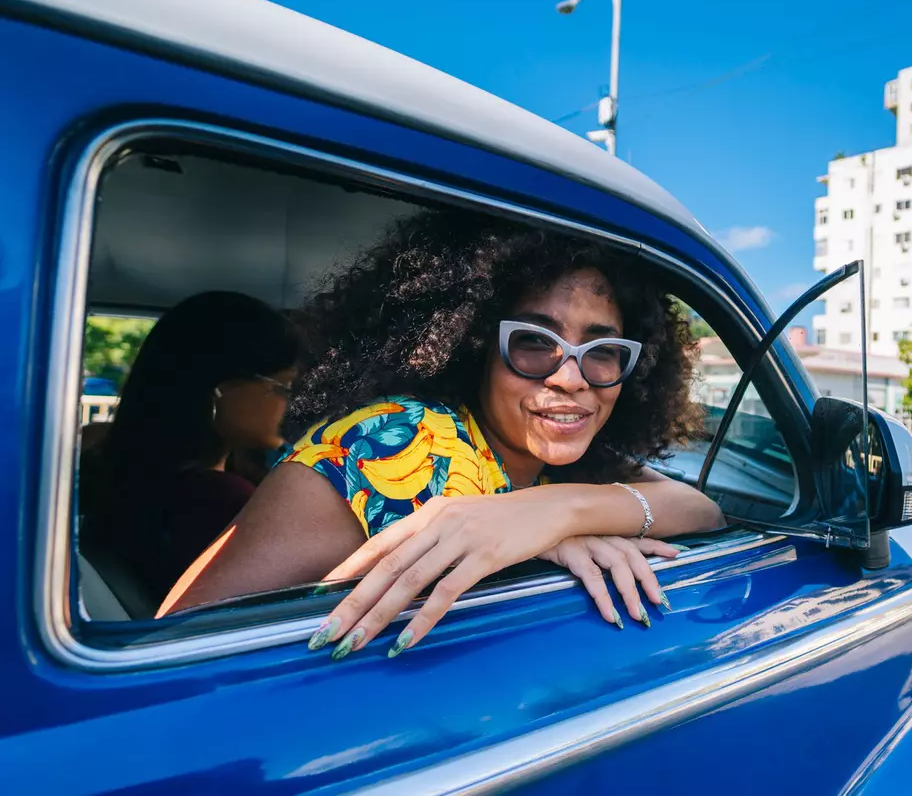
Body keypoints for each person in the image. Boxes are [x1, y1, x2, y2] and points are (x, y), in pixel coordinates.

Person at [160, 211, 726, 660]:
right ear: (475, 343)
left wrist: (546, 515)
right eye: (533, 342)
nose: (570, 378)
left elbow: (700, 511)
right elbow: (172, 645)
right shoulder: (397, 441)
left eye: (602, 352)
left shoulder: (567, 458)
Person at [79, 291, 301, 604]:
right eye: (284, 387)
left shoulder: (126, 475)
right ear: (219, 390)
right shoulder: (217, 498)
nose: (295, 404)